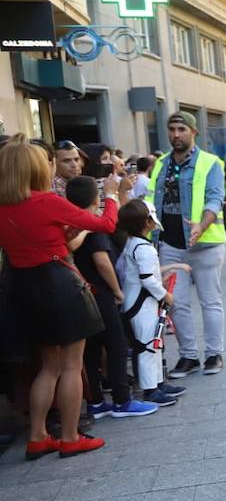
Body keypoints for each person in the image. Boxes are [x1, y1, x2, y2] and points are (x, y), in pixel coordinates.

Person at [0, 136, 126, 457]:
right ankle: (70, 436)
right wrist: (110, 196)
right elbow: (106, 224)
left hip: (27, 288)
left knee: (49, 367)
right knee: (71, 366)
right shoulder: (46, 201)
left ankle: (38, 435)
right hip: (61, 285)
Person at [64, 177, 157, 420]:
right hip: (101, 294)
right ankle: (122, 401)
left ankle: (95, 402)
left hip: (81, 293)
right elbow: (102, 261)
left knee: (92, 349)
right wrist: (117, 290)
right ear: (96, 198)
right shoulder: (94, 226)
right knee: (115, 345)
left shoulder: (72, 224)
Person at [148, 112, 226, 379]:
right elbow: (150, 200)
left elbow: (215, 199)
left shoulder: (210, 163)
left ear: (194, 132)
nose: (175, 134)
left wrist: (200, 226)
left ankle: (214, 354)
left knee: (210, 301)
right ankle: (189, 356)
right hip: (170, 242)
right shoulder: (160, 164)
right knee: (177, 302)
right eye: (171, 129)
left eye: (181, 129)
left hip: (205, 244)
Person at [116, 199, 186, 408]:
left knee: (154, 344)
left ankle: (157, 383)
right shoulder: (143, 247)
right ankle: (151, 390)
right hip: (142, 304)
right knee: (148, 346)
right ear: (147, 222)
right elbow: (147, 279)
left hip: (142, 303)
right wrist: (165, 295)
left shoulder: (134, 244)